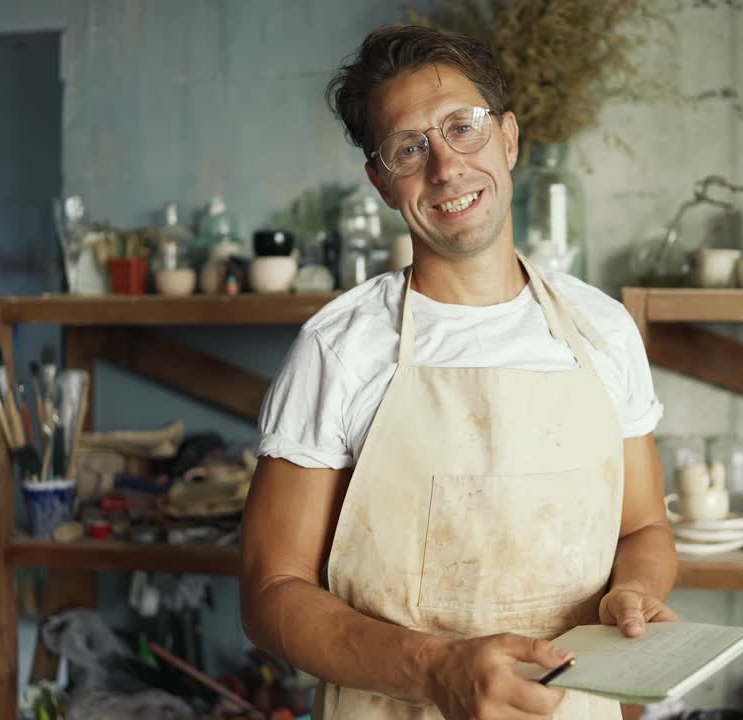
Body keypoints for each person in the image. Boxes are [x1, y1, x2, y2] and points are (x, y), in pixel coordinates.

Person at [240, 24, 678, 720]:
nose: (445, 167)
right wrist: (436, 670)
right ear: (382, 182)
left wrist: (633, 592)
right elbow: (270, 593)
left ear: (508, 138)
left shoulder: (604, 332)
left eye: (462, 128)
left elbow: (643, 530)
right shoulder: (340, 349)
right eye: (409, 148)